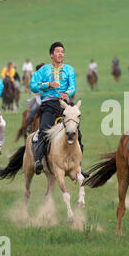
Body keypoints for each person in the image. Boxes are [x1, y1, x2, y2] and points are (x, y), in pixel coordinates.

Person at [30, 42, 87, 177]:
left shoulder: (69, 69)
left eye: (62, 51)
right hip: (49, 104)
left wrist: (67, 93)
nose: (60, 54)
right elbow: (33, 85)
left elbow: (72, 86)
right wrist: (48, 84)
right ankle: (38, 161)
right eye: (57, 51)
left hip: (65, 105)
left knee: (77, 132)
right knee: (44, 129)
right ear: (51, 54)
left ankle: (78, 166)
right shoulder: (43, 70)